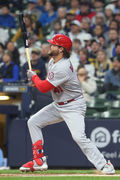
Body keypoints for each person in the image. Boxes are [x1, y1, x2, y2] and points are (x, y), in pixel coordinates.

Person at [20, 34, 115, 174]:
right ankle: (38, 160)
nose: (50, 46)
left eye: (53, 44)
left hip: (73, 106)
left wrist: (34, 77)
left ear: (61, 49)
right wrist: (35, 81)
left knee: (78, 137)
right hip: (59, 104)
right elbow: (49, 84)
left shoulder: (63, 66)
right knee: (33, 122)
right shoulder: (52, 62)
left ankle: (104, 165)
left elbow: (44, 87)